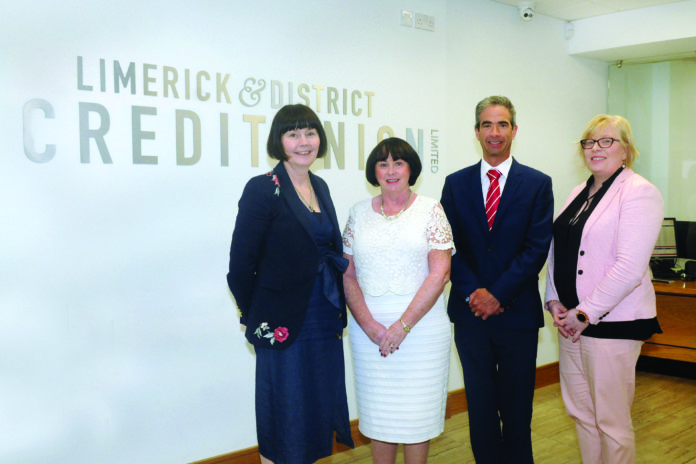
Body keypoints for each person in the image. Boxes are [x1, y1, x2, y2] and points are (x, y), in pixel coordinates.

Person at [227, 104, 354, 464]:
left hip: (322, 317)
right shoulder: (262, 189)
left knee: (314, 408)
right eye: (293, 134)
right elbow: (240, 265)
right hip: (280, 322)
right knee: (283, 412)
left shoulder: (320, 185)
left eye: (310, 133)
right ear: (278, 141)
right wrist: (256, 315)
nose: (303, 142)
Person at [440, 96, 554, 463]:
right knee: (481, 408)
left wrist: (498, 295)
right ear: (476, 132)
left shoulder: (537, 183)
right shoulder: (455, 185)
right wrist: (475, 292)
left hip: (517, 315)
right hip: (470, 314)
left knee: (518, 411)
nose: (495, 132)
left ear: (514, 130)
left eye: (502, 124)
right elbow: (447, 246)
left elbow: (536, 249)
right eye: (487, 125)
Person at [544, 114, 663, 463]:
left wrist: (585, 313)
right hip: (571, 324)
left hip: (611, 325)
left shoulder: (640, 192)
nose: (596, 148)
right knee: (582, 415)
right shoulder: (578, 192)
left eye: (606, 141)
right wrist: (554, 300)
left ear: (626, 150)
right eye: (589, 142)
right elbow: (558, 250)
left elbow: (629, 267)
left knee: (611, 421)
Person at [342, 137, 454, 464]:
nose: (391, 170)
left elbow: (440, 273)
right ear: (373, 171)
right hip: (369, 333)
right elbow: (347, 275)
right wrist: (371, 327)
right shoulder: (358, 213)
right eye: (383, 163)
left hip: (421, 329)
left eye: (398, 163)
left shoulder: (431, 209)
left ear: (411, 169)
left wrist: (402, 326)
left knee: (417, 418)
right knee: (380, 417)